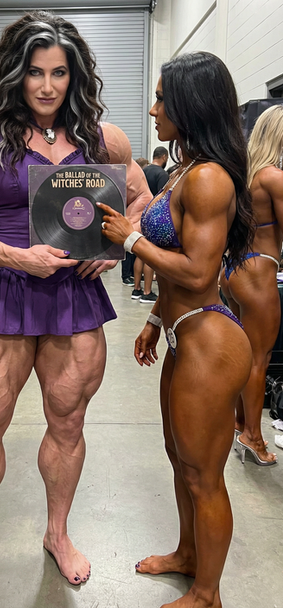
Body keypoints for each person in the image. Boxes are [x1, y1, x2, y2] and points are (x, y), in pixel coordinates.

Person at [0, 10, 151, 599]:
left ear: (75, 76)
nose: (47, 86)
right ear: (14, 72)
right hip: (1, 291)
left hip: (74, 295)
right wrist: (14, 256)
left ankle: (57, 532)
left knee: (69, 422)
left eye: (59, 73)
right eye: (35, 72)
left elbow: (142, 199)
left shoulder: (103, 139)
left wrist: (116, 247)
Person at [98, 51, 253, 608]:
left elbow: (199, 271)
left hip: (212, 342)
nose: (153, 109)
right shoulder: (186, 171)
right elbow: (177, 274)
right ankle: (188, 555)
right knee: (179, 457)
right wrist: (154, 318)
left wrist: (130, 239)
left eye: (162, 99)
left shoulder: (208, 178)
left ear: (191, 104)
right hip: (182, 332)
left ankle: (207, 595)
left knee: (203, 474)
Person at [220, 104, 283, 466]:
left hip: (234, 270)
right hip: (259, 272)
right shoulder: (273, 177)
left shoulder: (245, 174)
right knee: (260, 359)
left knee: (246, 356)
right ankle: (254, 437)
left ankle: (240, 422)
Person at [132, 159, 158, 303]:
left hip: (139, 215)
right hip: (154, 215)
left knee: (140, 253)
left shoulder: (142, 172)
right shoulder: (161, 175)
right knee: (149, 254)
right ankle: (147, 292)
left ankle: (136, 289)